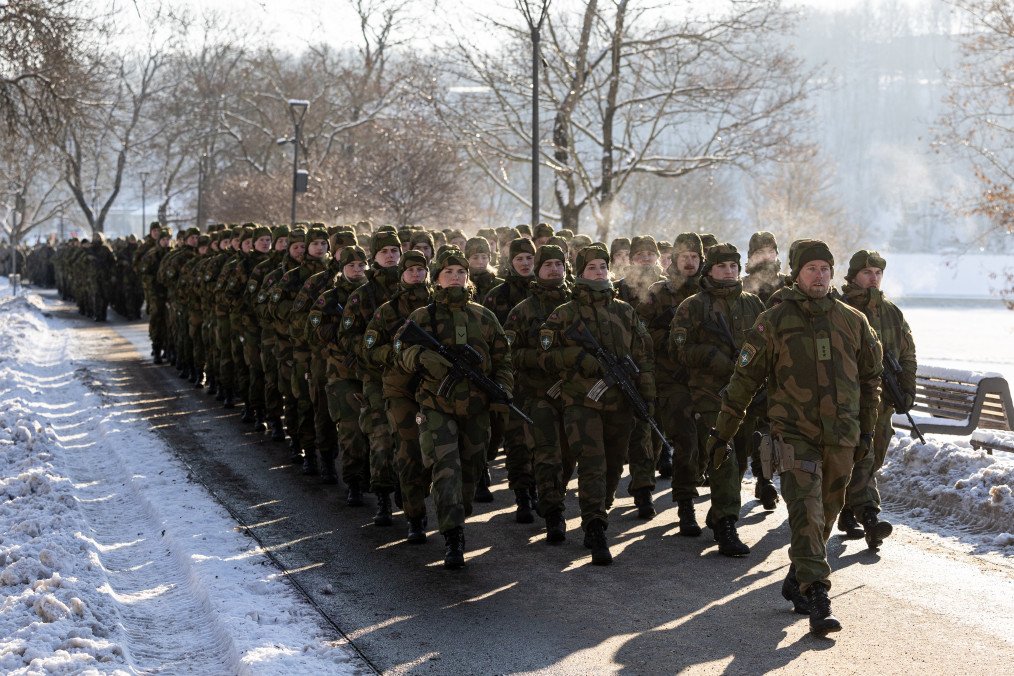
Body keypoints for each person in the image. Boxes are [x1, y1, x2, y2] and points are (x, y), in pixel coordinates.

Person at [707, 239, 883, 635]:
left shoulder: (853, 320)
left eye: (825, 269)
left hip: (842, 435)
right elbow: (744, 380)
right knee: (805, 511)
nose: (819, 276)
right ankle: (819, 597)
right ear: (796, 273)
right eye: (811, 269)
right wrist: (723, 433)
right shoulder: (774, 321)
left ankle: (798, 577)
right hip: (794, 435)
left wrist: (868, 429)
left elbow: (872, 379)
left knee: (827, 511)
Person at [396, 247, 513, 569]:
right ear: (436, 279)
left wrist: (503, 387)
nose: (456, 277)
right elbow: (400, 352)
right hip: (435, 405)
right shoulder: (422, 317)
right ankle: (453, 535)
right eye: (449, 272)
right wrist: (422, 358)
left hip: (476, 407)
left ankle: (457, 517)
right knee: (446, 469)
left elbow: (503, 357)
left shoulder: (483, 316)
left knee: (472, 471)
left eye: (461, 272)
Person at [540, 245, 654, 565]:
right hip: (581, 400)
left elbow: (643, 356)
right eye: (591, 267)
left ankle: (600, 508)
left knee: (615, 463)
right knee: (593, 461)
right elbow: (545, 357)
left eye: (603, 266)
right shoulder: (564, 314)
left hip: (620, 401)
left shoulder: (624, 311)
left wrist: (647, 396)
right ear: (579, 273)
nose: (599, 272)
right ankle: (595, 526)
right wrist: (578, 359)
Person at [671, 243, 764, 556]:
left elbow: (768, 346)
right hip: (710, 394)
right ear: (709, 270)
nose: (729, 272)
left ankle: (718, 512)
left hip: (745, 393)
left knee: (740, 455)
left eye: (734, 267)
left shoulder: (753, 305)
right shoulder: (693, 306)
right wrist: (713, 356)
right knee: (723, 455)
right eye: (722, 266)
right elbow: (677, 350)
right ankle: (726, 524)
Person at [838, 250, 916, 549]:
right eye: (867, 272)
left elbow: (907, 353)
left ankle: (848, 509)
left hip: (883, 401)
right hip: (853, 400)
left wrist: (907, 389)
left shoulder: (891, 312)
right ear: (854, 276)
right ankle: (870, 518)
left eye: (878, 272)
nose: (873, 277)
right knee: (863, 454)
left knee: (876, 455)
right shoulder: (840, 309)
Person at [364, 250, 434, 543]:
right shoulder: (387, 311)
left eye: (421, 270)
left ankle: (413, 496)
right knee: (408, 451)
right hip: (400, 389)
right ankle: (414, 516)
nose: (416, 275)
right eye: (410, 270)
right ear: (401, 275)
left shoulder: (438, 306)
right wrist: (397, 355)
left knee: (432, 453)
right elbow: (368, 348)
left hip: (434, 389)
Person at [637, 233, 704, 535]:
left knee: (710, 444)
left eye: (695, 257)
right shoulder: (659, 293)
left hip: (707, 381)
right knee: (686, 442)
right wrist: (675, 342)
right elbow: (642, 335)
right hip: (673, 380)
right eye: (684, 256)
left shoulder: (711, 292)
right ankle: (686, 505)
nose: (690, 262)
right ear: (674, 259)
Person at [505, 244, 573, 538]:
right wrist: (543, 360)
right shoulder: (524, 311)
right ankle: (554, 512)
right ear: (539, 270)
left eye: (559, 264)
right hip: (537, 394)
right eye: (548, 265)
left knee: (569, 456)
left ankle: (553, 494)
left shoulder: (578, 305)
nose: (554, 270)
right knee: (547, 454)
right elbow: (508, 353)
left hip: (575, 394)